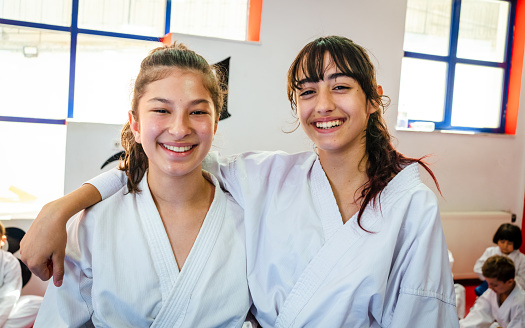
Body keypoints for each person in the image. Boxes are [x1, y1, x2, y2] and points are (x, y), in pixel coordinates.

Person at [22, 36, 458, 327]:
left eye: (340, 86)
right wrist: (63, 207)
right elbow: (169, 162)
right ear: (134, 122)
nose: (323, 105)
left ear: (373, 97)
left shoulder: (408, 204)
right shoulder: (270, 180)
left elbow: (424, 312)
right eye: (306, 92)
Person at [33, 43, 251, 327]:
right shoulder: (94, 222)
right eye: (161, 110)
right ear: (135, 124)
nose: (179, 128)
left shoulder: (248, 217)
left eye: (197, 112)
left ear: (215, 123)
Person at [460, 255, 525, 328]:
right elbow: (478, 314)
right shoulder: (492, 292)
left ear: (509, 282)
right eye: (488, 283)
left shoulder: (521, 303)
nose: (489, 287)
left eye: (494, 285)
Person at [0, 221, 43, 328]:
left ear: (2, 240)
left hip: (3, 308)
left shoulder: (10, 261)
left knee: (38, 303)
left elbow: (10, 296)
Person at [474, 223, 525, 296]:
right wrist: (492, 279)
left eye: (509, 243)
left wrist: (503, 283)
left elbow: (522, 279)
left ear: (516, 243)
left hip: (509, 289)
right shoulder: (490, 251)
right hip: (490, 284)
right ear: (497, 240)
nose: (505, 246)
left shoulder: (521, 258)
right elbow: (478, 268)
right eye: (502, 242)